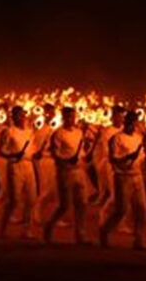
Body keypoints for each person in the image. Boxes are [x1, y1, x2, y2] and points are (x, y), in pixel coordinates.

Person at [100, 110, 146, 250]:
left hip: (137, 176)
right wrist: (127, 158)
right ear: (126, 123)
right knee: (121, 210)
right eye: (130, 122)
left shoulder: (138, 137)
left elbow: (141, 156)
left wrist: (143, 157)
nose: (133, 126)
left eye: (135, 123)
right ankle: (104, 232)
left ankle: (139, 240)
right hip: (122, 177)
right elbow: (113, 158)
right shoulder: (116, 138)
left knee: (142, 209)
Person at [43, 107, 92, 245]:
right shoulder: (58, 134)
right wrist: (65, 160)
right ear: (64, 118)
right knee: (64, 206)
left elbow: (81, 151)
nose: (72, 119)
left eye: (73, 116)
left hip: (79, 171)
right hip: (65, 172)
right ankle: (48, 228)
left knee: (82, 204)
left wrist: (85, 156)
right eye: (69, 117)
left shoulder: (79, 132)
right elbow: (55, 153)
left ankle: (80, 235)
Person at [0, 106, 37, 238]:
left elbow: (33, 149)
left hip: (28, 166)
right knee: (14, 200)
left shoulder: (30, 131)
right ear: (13, 117)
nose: (22, 117)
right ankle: (2, 228)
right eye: (18, 115)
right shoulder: (8, 132)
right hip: (15, 166)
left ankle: (26, 230)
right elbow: (0, 151)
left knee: (31, 199)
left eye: (23, 114)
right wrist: (12, 155)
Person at [92, 106, 125, 208]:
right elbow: (107, 150)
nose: (121, 119)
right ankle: (104, 215)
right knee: (114, 194)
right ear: (113, 117)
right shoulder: (107, 132)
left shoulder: (125, 129)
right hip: (112, 165)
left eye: (122, 116)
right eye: (118, 116)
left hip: (124, 166)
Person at [32, 104, 57, 225]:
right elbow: (37, 149)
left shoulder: (52, 129)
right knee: (46, 189)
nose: (52, 115)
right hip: (45, 161)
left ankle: (53, 217)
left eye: (53, 113)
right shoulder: (43, 130)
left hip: (53, 162)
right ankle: (37, 213)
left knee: (54, 190)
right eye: (50, 113)